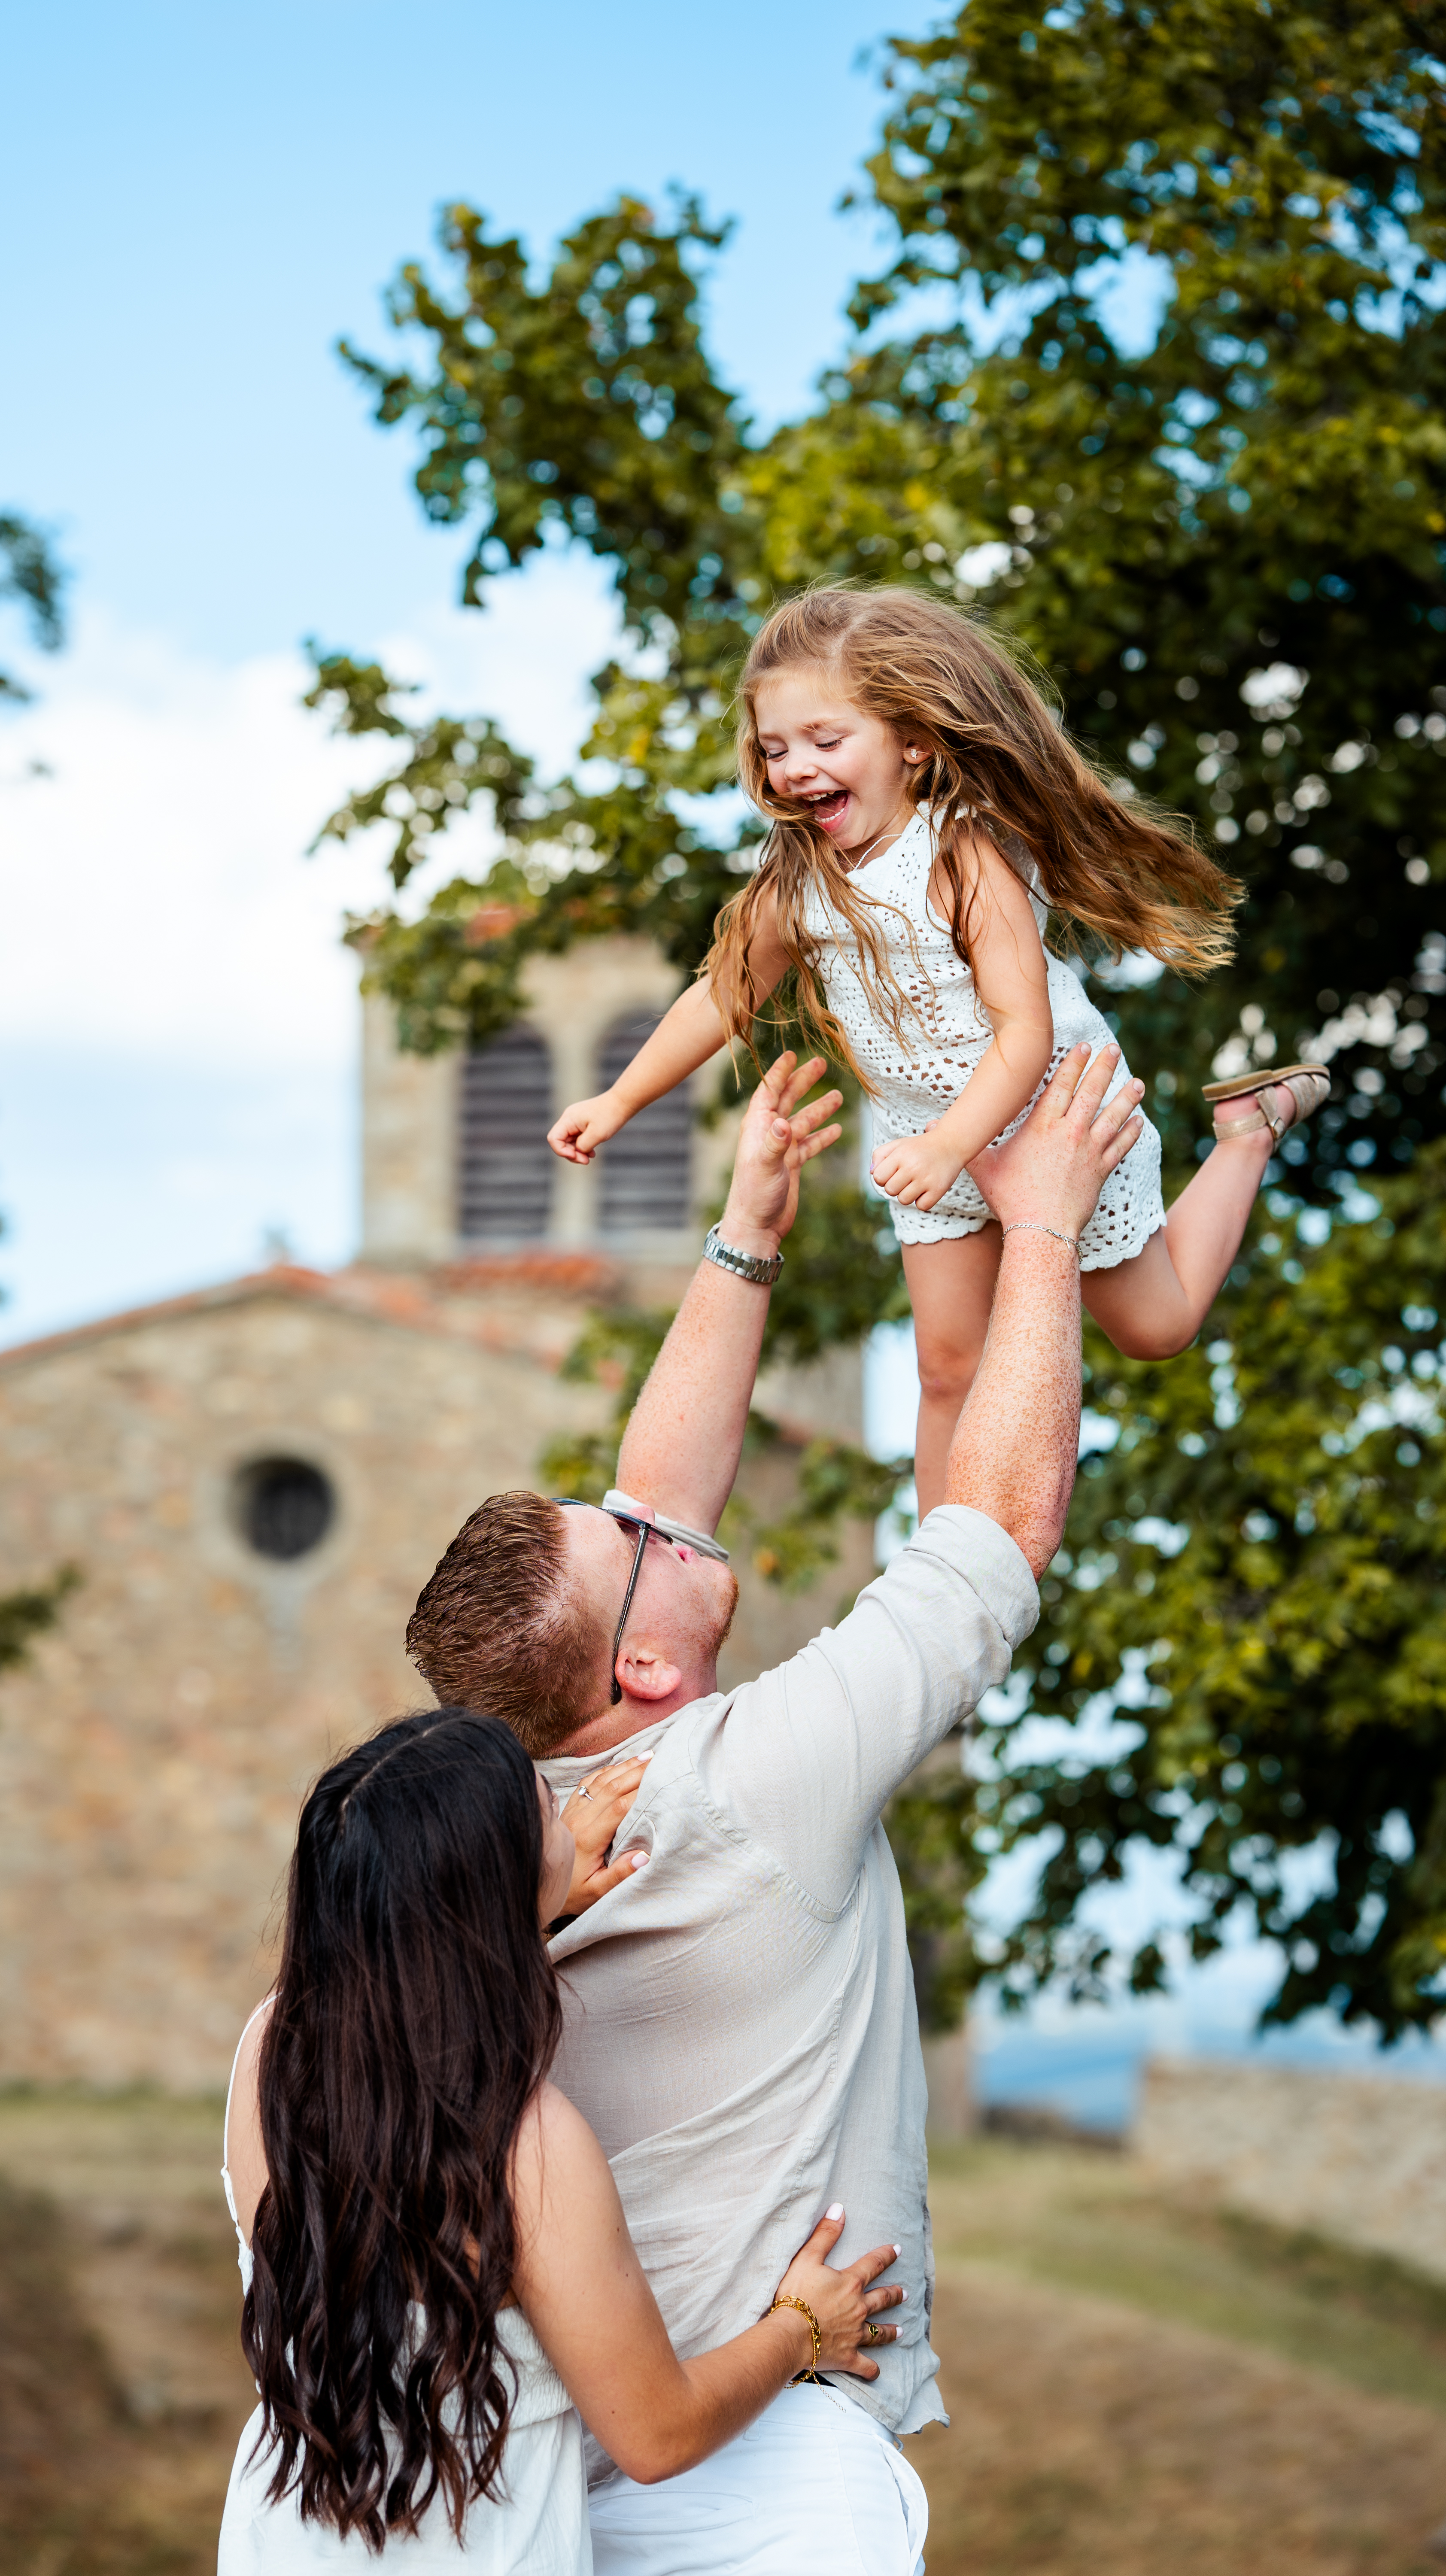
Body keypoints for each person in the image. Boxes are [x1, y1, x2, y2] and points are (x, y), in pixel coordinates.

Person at [404, 1037, 1145, 2573]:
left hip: (558, 2445)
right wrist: (1053, 1229)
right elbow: (995, 1527)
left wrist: (744, 1235)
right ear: (648, 1667)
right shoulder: (759, 1783)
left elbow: (654, 1502)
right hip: (766, 2446)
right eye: (630, 1546)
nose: (655, 1520)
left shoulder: (497, 1826)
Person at [547, 585, 1328, 1513]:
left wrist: (955, 1145)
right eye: (774, 748)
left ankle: (1247, 1131)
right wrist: (618, 1099)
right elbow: (721, 997)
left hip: (1049, 1112)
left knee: (1153, 1328)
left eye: (825, 741)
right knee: (946, 1367)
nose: (796, 769)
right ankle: (940, 1574)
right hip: (932, 1146)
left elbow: (1024, 1032)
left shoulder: (963, 859)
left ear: (911, 741)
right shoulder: (796, 880)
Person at [216, 1707, 905, 2570]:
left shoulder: (271, 2046)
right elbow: (656, 2432)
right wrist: (802, 2328)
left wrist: (530, 1902)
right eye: (545, 1804)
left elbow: (407, 2008)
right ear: (487, 1890)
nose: (569, 1807)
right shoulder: (526, 2146)